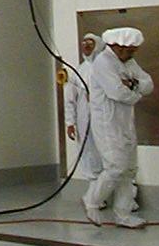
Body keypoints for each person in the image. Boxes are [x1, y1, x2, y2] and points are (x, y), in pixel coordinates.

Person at [84, 26, 153, 229]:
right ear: (116, 46)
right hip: (107, 124)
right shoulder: (103, 63)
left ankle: (123, 214)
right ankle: (92, 201)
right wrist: (135, 91)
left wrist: (132, 85)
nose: (132, 54)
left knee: (129, 169)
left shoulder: (128, 62)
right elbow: (117, 92)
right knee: (115, 167)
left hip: (125, 122)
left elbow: (148, 83)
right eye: (129, 50)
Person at [64, 33, 104, 184]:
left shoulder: (106, 69)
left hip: (105, 119)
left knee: (109, 154)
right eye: (84, 42)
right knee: (88, 152)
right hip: (84, 121)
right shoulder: (79, 71)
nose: (86, 46)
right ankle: (95, 192)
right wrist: (70, 123)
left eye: (90, 43)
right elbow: (70, 100)